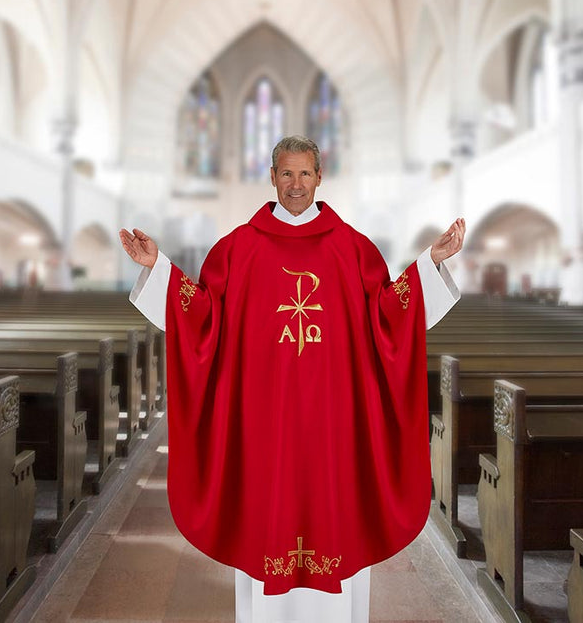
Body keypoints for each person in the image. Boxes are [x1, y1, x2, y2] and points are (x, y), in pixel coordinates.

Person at [119, 135, 465, 623]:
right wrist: (158, 268)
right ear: (273, 178)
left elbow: (390, 315)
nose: (296, 185)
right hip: (264, 431)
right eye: (286, 174)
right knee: (266, 530)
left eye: (305, 174)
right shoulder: (238, 250)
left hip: (334, 430)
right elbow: (201, 316)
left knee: (336, 526)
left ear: (320, 178)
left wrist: (432, 263)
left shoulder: (353, 249)